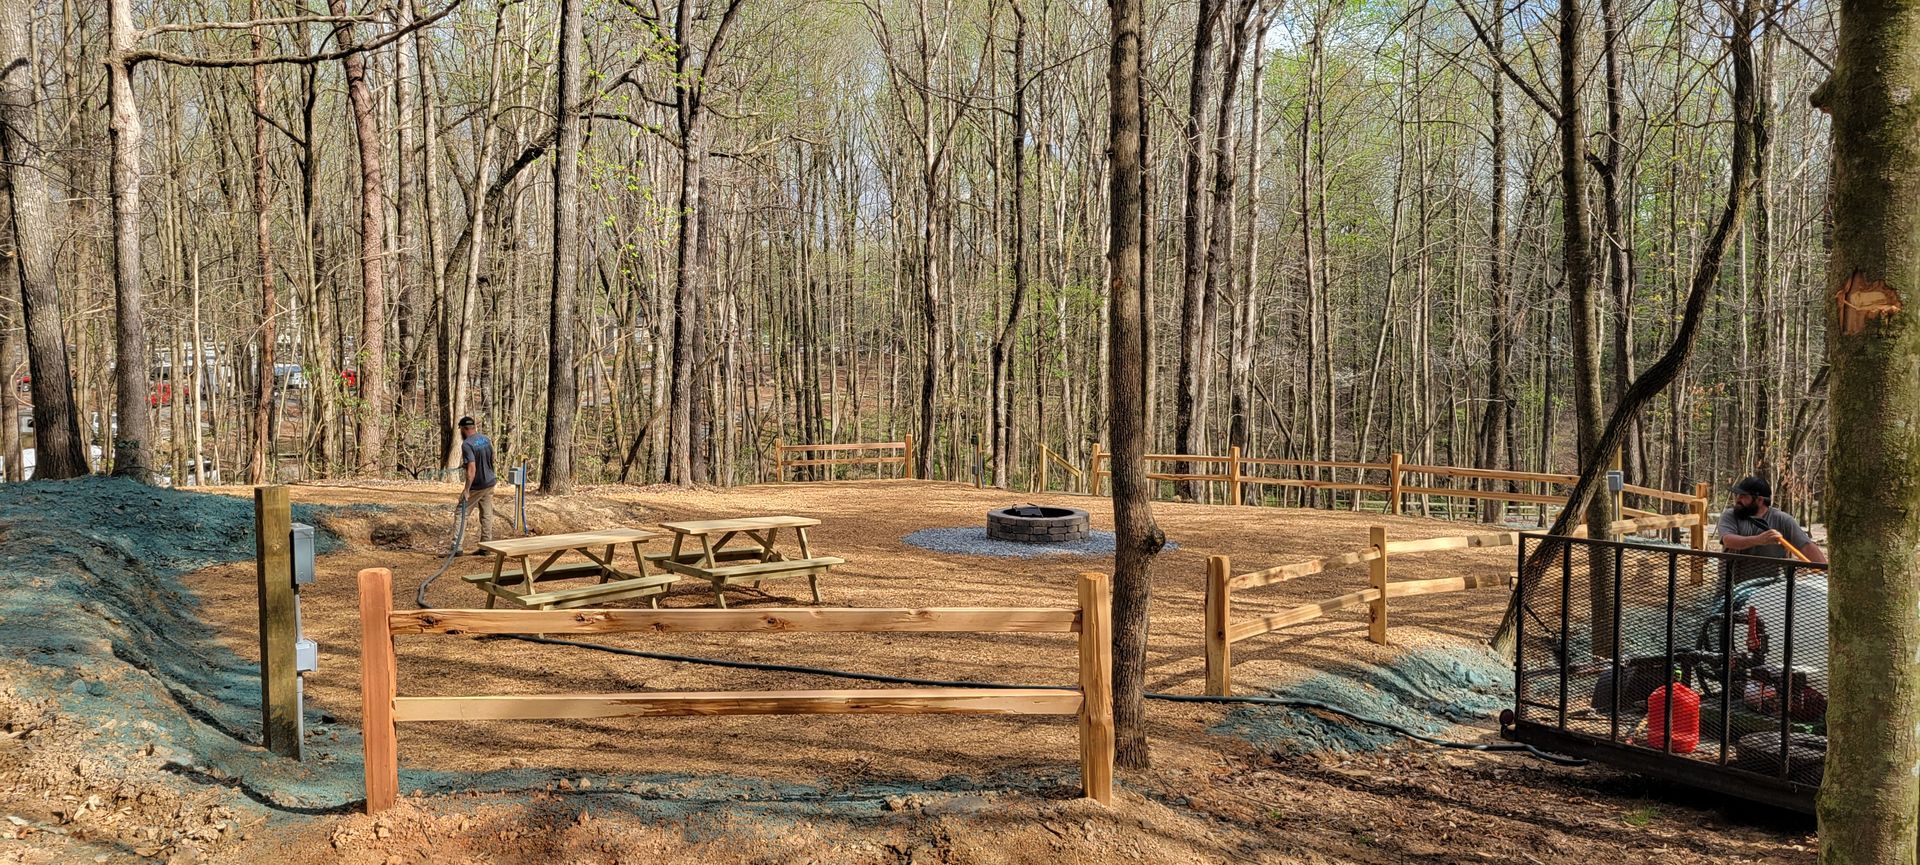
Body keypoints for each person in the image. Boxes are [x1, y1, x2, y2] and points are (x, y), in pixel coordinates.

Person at [1716, 476, 1827, 576]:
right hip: (1731, 587)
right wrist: (1759, 540)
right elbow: (1728, 540)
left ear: (1759, 500)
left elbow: (1806, 547)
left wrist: (1826, 574)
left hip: (1771, 588)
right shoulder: (1730, 515)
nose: (1737, 499)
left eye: (1743, 496)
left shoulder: (1783, 520)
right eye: (1738, 495)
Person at [458, 416, 499, 553]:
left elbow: (472, 469)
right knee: (486, 514)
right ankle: (486, 546)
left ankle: (456, 547)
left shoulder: (467, 444)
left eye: (461, 430)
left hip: (478, 485)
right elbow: (492, 458)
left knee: (461, 512)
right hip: (490, 482)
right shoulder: (486, 439)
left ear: (464, 429)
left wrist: (466, 489)